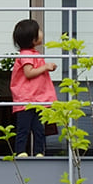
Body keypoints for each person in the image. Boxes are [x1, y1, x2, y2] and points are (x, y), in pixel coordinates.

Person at [9, 17, 56, 157]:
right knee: (25, 128)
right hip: (27, 99)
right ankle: (22, 152)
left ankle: (38, 152)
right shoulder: (26, 55)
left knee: (38, 128)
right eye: (39, 31)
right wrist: (45, 67)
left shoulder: (33, 54)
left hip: (35, 99)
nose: (42, 33)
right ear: (32, 38)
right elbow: (28, 73)